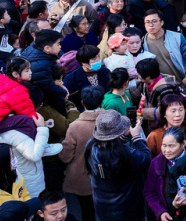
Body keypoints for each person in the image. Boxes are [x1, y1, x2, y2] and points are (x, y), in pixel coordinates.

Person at [85, 110, 152, 221]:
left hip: (102, 208)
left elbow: (110, 143)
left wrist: (121, 135)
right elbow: (145, 158)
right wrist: (136, 137)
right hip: (127, 209)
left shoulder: (91, 147)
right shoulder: (126, 154)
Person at [58, 86, 104, 221]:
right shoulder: (110, 118)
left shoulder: (75, 126)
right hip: (107, 174)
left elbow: (66, 155)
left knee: (87, 210)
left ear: (82, 102)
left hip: (83, 178)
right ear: (101, 102)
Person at [142, 9, 186, 100]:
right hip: (155, 86)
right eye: (147, 22)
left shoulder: (177, 37)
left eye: (154, 21)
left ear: (162, 22)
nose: (151, 25)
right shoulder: (141, 42)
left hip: (177, 83)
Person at [146, 126, 185, 221]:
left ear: (183, 144)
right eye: (164, 145)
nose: (166, 151)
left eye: (171, 146)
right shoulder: (155, 164)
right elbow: (150, 193)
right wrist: (161, 211)